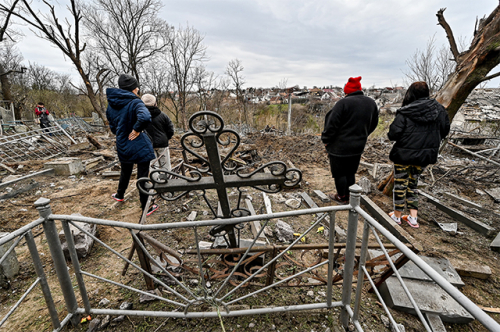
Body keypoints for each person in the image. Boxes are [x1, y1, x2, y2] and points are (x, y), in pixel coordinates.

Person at [387, 81, 450, 228]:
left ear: (411, 93)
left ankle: (397, 216)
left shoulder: (406, 111)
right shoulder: (440, 110)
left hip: (404, 155)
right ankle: (413, 217)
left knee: (401, 184)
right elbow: (445, 131)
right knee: (413, 184)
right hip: (425, 156)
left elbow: (393, 134)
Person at [321, 76, 379, 204]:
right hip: (358, 145)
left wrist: (326, 139)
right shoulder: (371, 103)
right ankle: (351, 196)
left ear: (347, 91)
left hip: (339, 146)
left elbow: (332, 125)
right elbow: (374, 123)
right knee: (350, 171)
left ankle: (342, 196)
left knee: (340, 172)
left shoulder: (343, 103)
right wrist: (363, 134)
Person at [106, 74, 157, 215]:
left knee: (125, 171)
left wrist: (122, 132)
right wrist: (136, 129)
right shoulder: (135, 102)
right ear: (133, 89)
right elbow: (145, 117)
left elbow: (112, 127)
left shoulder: (112, 104)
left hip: (123, 142)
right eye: (136, 88)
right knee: (142, 176)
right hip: (139, 144)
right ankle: (146, 206)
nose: (138, 90)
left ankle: (120, 195)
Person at [141, 94, 174, 171]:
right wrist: (166, 138)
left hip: (148, 145)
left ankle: (156, 181)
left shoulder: (140, 116)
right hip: (162, 144)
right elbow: (170, 130)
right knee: (166, 165)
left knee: (153, 166)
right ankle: (168, 181)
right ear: (155, 103)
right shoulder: (163, 115)